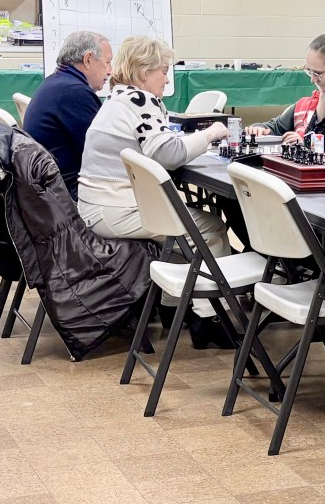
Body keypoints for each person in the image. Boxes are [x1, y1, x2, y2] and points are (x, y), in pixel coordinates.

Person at [77, 36, 233, 348]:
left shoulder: (119, 98)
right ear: (144, 71)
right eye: (163, 71)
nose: (167, 79)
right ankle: (210, 318)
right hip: (115, 209)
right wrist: (211, 133)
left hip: (98, 205)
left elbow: (160, 146)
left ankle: (174, 308)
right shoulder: (139, 100)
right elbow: (168, 154)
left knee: (178, 234)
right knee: (211, 229)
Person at [24, 31, 112, 200]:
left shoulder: (56, 81)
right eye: (107, 63)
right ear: (88, 59)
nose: (110, 71)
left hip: (46, 188)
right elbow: (101, 155)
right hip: (65, 193)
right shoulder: (75, 93)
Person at [247, 89, 320, 146]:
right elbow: (275, 127)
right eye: (312, 74)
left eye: (319, 75)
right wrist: (258, 128)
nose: (313, 79)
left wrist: (306, 144)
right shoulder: (302, 105)